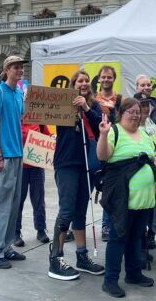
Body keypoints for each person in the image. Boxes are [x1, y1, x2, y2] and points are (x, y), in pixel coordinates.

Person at [97, 97, 156, 298]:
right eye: (130, 112)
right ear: (121, 113)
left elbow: (151, 160)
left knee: (136, 237)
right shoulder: (114, 131)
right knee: (118, 238)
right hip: (121, 199)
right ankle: (110, 281)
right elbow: (103, 156)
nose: (135, 115)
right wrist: (103, 135)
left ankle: (133, 273)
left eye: (137, 112)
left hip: (144, 200)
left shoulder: (143, 133)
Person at [48, 69, 104, 280]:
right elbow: (42, 115)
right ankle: (56, 258)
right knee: (67, 210)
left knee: (81, 210)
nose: (84, 83)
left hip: (86, 165)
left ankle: (82, 256)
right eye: (80, 80)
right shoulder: (63, 105)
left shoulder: (94, 106)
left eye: (87, 80)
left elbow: (100, 127)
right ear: (72, 84)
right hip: (67, 162)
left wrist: (86, 107)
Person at [0, 55, 27, 269]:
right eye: (16, 67)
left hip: (18, 155)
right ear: (6, 69)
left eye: (21, 68)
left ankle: (6, 246)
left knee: (13, 205)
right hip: (5, 157)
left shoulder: (19, 93)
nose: (20, 71)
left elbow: (20, 120)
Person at [134, 74, 156, 248]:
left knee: (155, 201)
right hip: (137, 170)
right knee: (141, 203)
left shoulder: (151, 122)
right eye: (142, 105)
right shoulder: (131, 123)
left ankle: (151, 232)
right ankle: (138, 233)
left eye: (148, 104)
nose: (146, 108)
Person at [14, 121, 51, 248]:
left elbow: (48, 137)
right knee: (18, 200)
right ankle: (15, 232)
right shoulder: (15, 120)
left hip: (37, 166)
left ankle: (41, 230)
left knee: (39, 199)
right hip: (20, 167)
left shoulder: (39, 121)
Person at [96, 64, 121, 241]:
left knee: (110, 187)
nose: (106, 80)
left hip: (114, 147)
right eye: (103, 77)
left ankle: (107, 224)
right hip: (95, 146)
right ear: (99, 79)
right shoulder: (93, 99)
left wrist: (114, 109)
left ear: (114, 79)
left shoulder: (120, 99)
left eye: (109, 77)